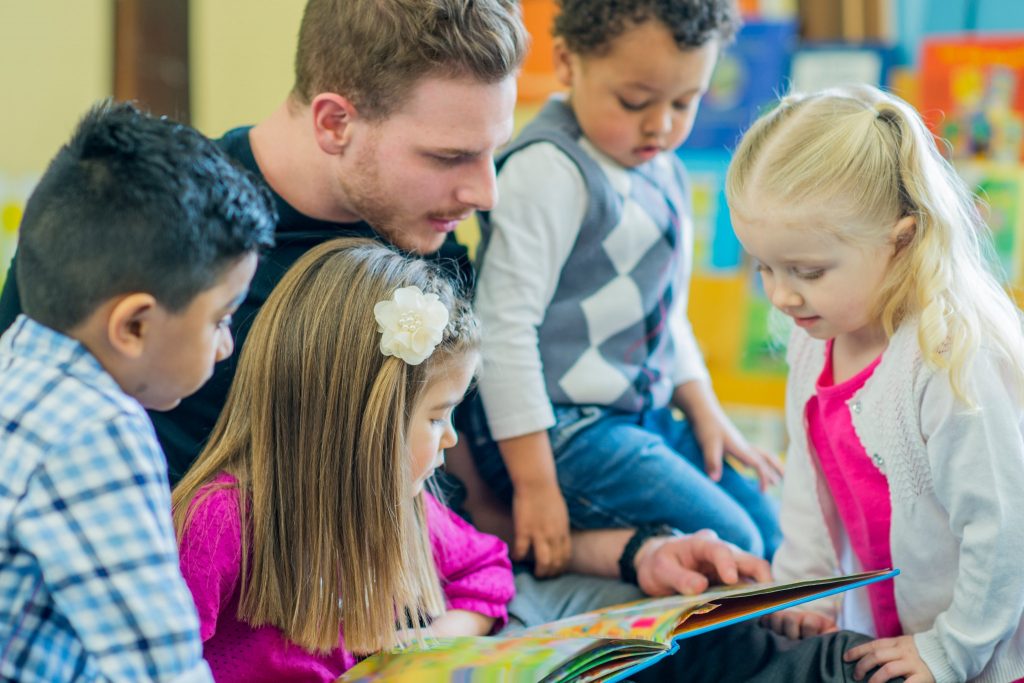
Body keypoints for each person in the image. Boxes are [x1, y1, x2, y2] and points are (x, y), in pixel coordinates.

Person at [172, 237, 882, 682]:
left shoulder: (405, 506)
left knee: (703, 630)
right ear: (360, 420)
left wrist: (440, 639)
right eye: (434, 418)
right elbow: (152, 660)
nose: (450, 439)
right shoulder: (222, 519)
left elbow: (484, 572)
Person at [0, 0, 527, 484]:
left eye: (492, 152)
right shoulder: (132, 226)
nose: (485, 193)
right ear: (334, 122)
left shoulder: (425, 223)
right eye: (449, 157)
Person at [465, 0, 782, 579]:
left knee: (770, 530)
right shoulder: (548, 170)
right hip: (557, 429)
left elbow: (665, 313)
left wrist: (706, 412)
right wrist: (535, 486)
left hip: (642, 417)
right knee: (734, 545)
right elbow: (502, 332)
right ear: (568, 62)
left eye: (685, 102)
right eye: (635, 101)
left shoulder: (664, 170)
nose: (661, 124)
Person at [726, 84, 1024, 683]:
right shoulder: (816, 341)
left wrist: (950, 649)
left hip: (988, 652)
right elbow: (809, 488)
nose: (781, 295)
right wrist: (804, 592)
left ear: (902, 240)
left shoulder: (947, 356)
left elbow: (1003, 530)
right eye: (764, 267)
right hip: (900, 637)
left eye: (807, 271)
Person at [0, 101, 275, 682]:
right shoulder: (96, 430)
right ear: (133, 326)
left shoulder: (16, 369)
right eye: (220, 319)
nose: (226, 346)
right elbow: (163, 670)